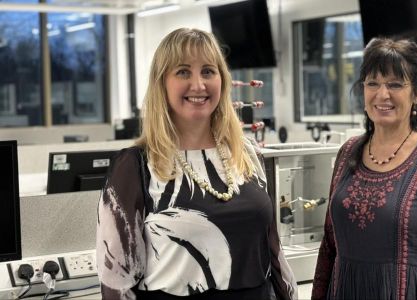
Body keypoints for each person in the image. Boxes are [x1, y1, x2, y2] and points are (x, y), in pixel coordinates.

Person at [96, 28, 297, 300]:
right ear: (161, 83)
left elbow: (275, 257)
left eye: (208, 71)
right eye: (182, 72)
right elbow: (116, 283)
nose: (199, 84)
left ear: (222, 80)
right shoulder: (135, 166)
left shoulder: (246, 153)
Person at [311, 37, 417, 300]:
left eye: (395, 84)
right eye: (372, 84)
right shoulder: (347, 153)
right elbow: (329, 247)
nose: (382, 94)